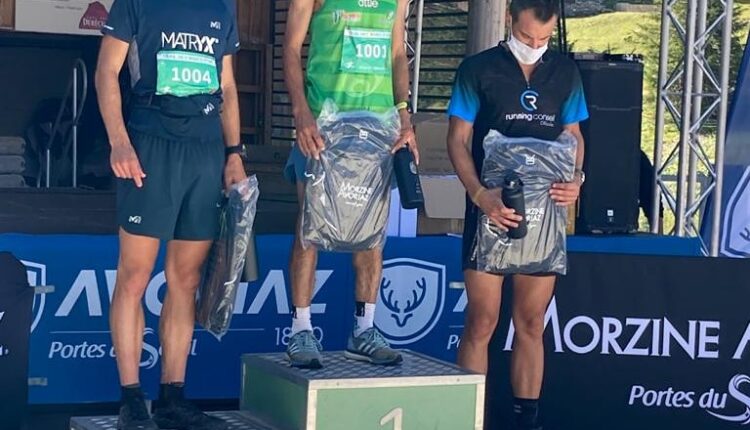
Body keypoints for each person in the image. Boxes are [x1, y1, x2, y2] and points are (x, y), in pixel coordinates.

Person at [95, 0, 246, 428]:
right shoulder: (135, 2)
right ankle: (131, 401)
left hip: (204, 150)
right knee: (134, 276)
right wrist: (119, 142)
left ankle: (172, 398)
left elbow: (227, 84)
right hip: (150, 145)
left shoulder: (222, 7)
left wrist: (234, 153)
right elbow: (107, 70)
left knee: (186, 279)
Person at [446, 0, 588, 428]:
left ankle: (527, 420)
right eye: (527, 36)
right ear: (510, 19)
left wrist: (577, 178)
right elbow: (457, 139)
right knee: (482, 320)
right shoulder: (477, 69)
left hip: (545, 214)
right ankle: (468, 419)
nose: (535, 44)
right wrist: (479, 195)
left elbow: (574, 135)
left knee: (531, 321)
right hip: (491, 209)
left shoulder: (565, 72)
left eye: (544, 38)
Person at [282, 0, 418, 368]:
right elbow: (290, 49)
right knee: (309, 228)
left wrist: (404, 117)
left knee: (371, 233)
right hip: (323, 126)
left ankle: (364, 329)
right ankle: (301, 329)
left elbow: (397, 54)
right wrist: (301, 112)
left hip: (378, 129)